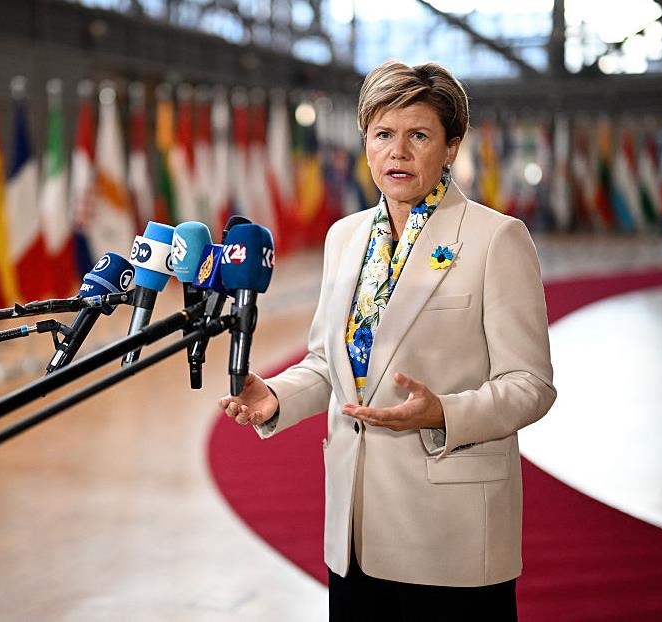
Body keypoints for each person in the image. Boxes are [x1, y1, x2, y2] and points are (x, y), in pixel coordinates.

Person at [219, 60, 556, 620]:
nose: (397, 152)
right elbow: (331, 361)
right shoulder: (344, 237)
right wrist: (275, 396)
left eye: (418, 135)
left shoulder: (496, 239)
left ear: (450, 147)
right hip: (354, 535)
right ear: (365, 143)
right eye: (382, 135)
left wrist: (442, 412)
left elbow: (531, 385)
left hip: (450, 537)